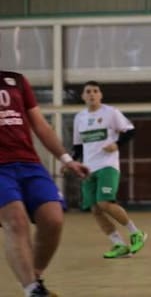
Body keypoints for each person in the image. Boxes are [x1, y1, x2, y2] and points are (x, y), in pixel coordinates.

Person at [0, 70, 89, 297]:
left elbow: (40, 125)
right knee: (16, 221)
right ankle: (32, 290)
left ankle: (35, 277)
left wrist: (67, 160)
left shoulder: (16, 80)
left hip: (29, 164)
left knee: (53, 218)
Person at [72, 81, 147, 259]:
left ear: (100, 95)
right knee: (95, 209)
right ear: (83, 96)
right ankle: (118, 244)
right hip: (88, 168)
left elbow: (130, 131)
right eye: (88, 91)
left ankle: (136, 233)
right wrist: (72, 162)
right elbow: (78, 146)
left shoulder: (111, 112)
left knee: (104, 202)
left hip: (107, 165)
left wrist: (117, 144)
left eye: (95, 91)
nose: (92, 94)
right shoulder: (79, 118)